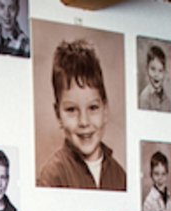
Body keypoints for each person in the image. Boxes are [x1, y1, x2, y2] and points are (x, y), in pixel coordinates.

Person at [36, 38, 125, 191]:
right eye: (71, 110)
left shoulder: (119, 175)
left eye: (93, 108)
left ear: (105, 110)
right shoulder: (52, 176)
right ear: (58, 115)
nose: (84, 121)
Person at [137, 44, 170, 112]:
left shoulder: (167, 99)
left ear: (165, 73)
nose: (156, 75)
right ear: (147, 69)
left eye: (160, 71)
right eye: (153, 69)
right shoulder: (144, 98)